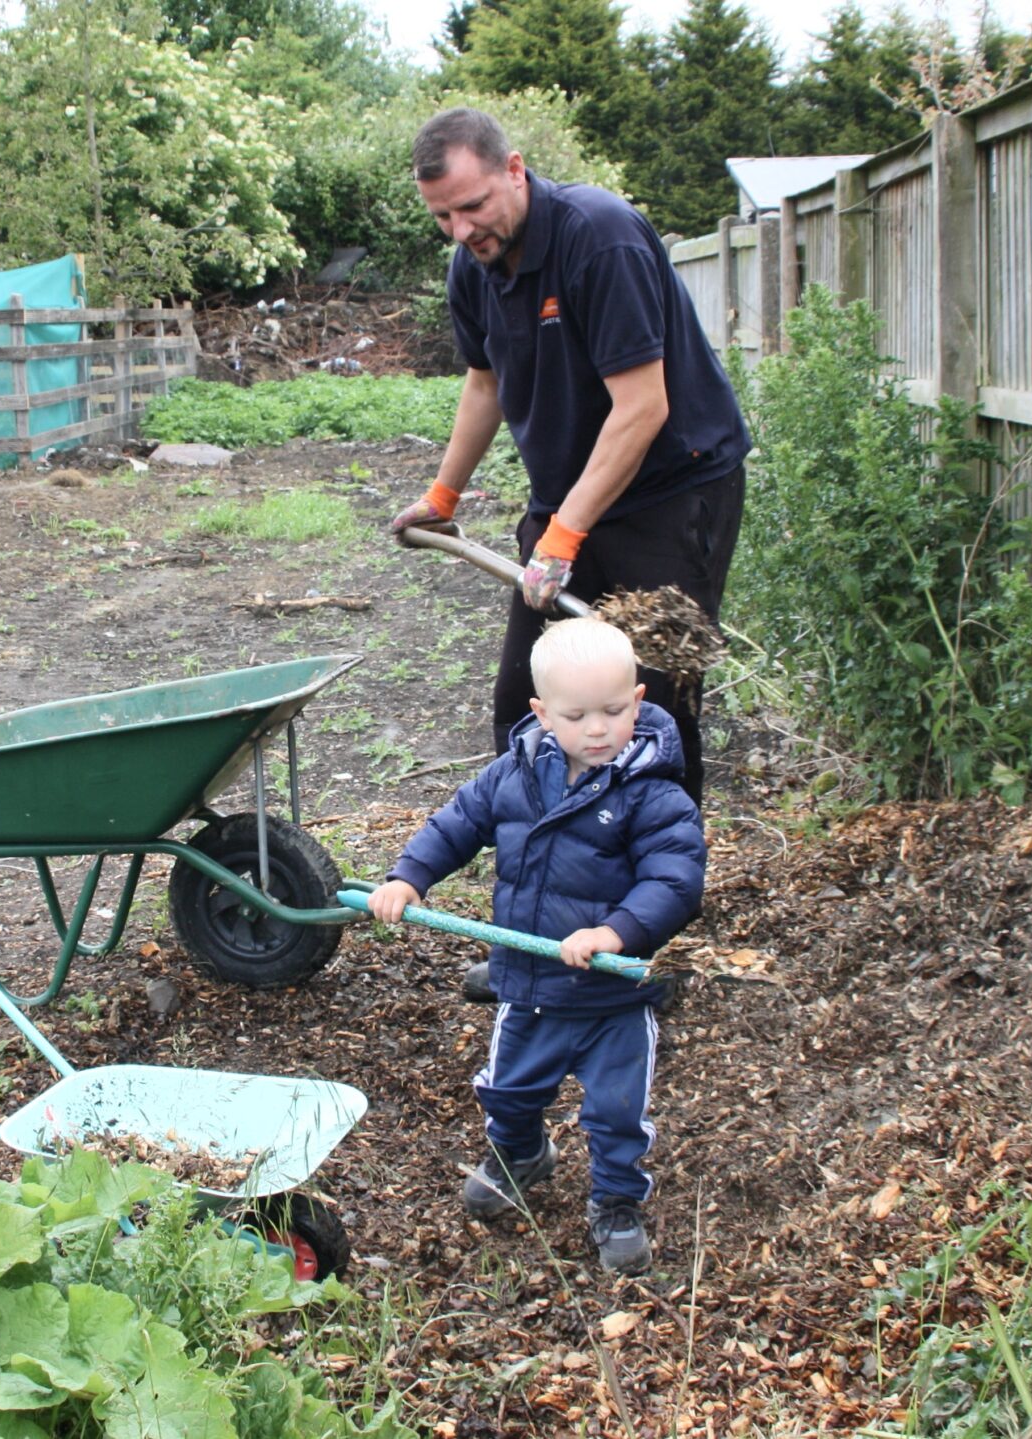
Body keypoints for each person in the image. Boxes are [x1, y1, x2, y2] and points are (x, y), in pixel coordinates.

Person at [389, 106, 750, 810]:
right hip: (569, 497)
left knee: (651, 699)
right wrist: (444, 497)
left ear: (515, 171)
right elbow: (485, 381)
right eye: (443, 218)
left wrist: (563, 535)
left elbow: (643, 407)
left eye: (472, 206)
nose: (462, 231)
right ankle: (547, 853)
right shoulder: (475, 266)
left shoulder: (598, 238)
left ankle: (657, 880)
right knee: (530, 694)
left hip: (670, 494)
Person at [366, 618, 706, 1276]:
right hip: (529, 985)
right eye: (578, 715)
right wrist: (409, 877)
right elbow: (457, 823)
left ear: (638, 701)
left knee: (615, 1113)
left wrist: (616, 931)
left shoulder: (655, 793)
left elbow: (675, 880)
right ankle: (521, 1153)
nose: (599, 729)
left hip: (614, 994)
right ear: (542, 713)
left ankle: (615, 1201)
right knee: (510, 1092)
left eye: (614, 710)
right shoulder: (513, 774)